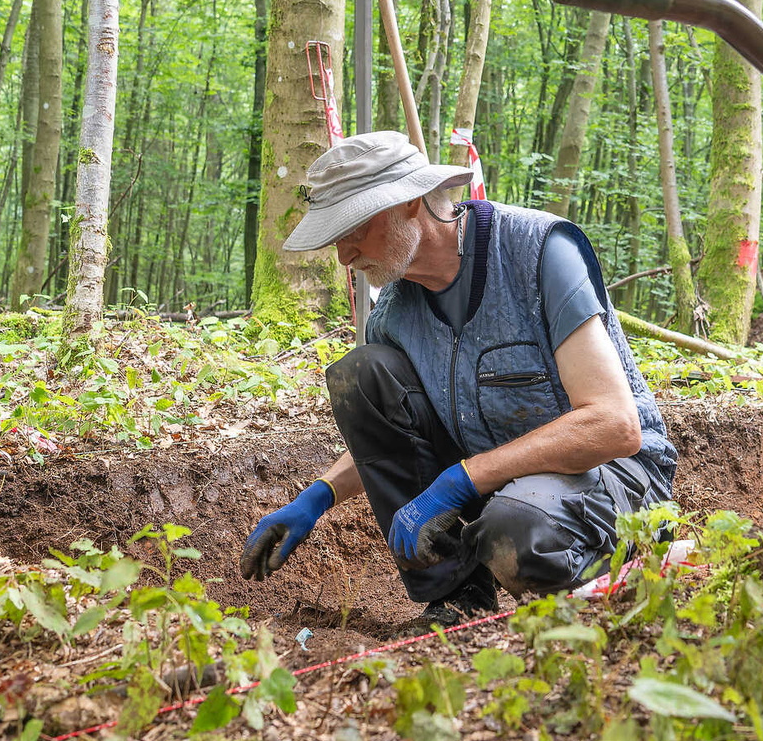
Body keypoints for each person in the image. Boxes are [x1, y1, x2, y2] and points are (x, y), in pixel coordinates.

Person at [239, 130, 677, 625]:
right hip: (502, 480)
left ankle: (626, 573)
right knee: (361, 374)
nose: (345, 256)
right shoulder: (394, 314)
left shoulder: (538, 252)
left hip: (614, 477)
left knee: (513, 529)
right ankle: (459, 598)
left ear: (405, 204)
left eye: (352, 231)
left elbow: (615, 426)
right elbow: (395, 440)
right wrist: (316, 497)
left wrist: (460, 479)